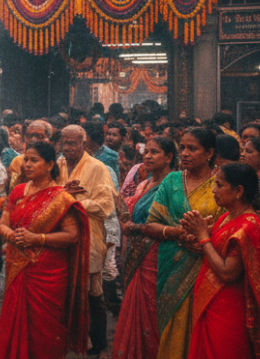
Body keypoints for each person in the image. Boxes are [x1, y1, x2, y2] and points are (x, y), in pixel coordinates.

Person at [0, 142, 90, 359]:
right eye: (26, 159)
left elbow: (72, 236)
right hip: (17, 267)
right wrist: (11, 235)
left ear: (49, 165)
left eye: (34, 160)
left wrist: (37, 238)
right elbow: (3, 222)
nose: (27, 164)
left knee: (45, 328)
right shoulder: (18, 191)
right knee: (13, 319)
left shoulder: (60, 197)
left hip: (48, 274)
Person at [181, 163, 260, 359]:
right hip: (214, 304)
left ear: (238, 191)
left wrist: (203, 237)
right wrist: (195, 233)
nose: (214, 190)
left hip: (228, 312)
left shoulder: (249, 226)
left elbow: (227, 272)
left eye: (219, 185)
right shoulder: (227, 216)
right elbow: (215, 247)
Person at [144, 128, 222, 359]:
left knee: (204, 326)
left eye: (192, 148)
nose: (184, 153)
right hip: (172, 266)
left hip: (209, 265)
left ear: (209, 152)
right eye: (182, 148)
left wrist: (205, 239)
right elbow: (151, 225)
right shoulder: (172, 180)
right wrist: (179, 233)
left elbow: (233, 225)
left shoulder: (221, 182)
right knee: (173, 325)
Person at [111, 137, 177, 359]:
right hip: (135, 253)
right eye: (146, 152)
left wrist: (136, 227)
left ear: (169, 157)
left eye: (155, 152)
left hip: (158, 255)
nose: (147, 156)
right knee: (134, 306)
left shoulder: (175, 185)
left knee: (152, 309)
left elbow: (173, 223)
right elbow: (127, 216)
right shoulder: (143, 184)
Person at [60, 124, 116, 355]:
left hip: (89, 237)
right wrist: (62, 195)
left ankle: (98, 341)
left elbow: (106, 206)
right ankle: (69, 337)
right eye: (64, 143)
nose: (67, 148)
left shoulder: (98, 168)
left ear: (84, 143)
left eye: (72, 143)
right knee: (65, 287)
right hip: (62, 236)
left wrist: (74, 202)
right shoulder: (58, 164)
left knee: (93, 291)